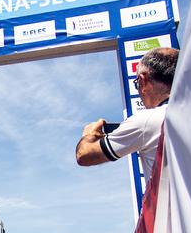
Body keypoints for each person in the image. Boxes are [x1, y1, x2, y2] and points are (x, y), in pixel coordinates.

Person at [76, 47, 180, 179]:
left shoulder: (147, 121)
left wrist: (89, 135)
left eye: (137, 84)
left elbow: (84, 155)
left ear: (143, 80)